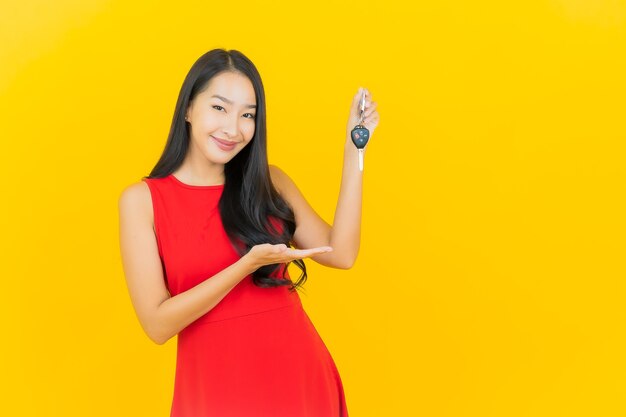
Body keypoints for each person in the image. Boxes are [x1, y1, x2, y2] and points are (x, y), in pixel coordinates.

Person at [118, 48, 379, 417]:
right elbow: (158, 325)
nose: (233, 128)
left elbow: (341, 253)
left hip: (298, 382)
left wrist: (355, 151)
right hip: (213, 392)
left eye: (248, 115)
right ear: (189, 109)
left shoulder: (269, 182)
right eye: (220, 108)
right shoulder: (142, 200)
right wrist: (246, 265)